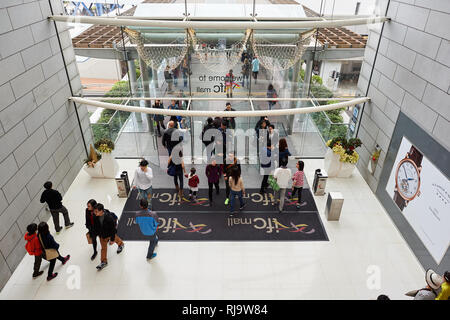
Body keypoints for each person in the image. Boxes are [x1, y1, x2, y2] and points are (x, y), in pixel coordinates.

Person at [94, 203, 124, 271]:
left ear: (101, 211)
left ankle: (121, 244)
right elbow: (96, 226)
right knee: (103, 248)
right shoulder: (95, 216)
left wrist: (112, 239)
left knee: (116, 239)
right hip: (101, 235)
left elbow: (113, 230)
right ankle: (103, 262)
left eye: (96, 211)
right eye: (94, 211)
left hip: (109, 234)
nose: (94, 213)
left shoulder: (109, 218)